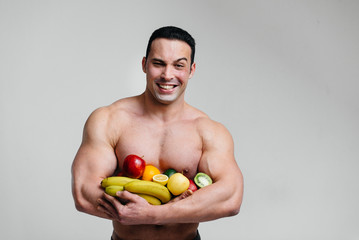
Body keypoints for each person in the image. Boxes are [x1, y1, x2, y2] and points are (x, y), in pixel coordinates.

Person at [71, 26, 244, 240]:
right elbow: (83, 192)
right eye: (158, 63)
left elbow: (231, 197)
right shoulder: (109, 119)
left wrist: (154, 214)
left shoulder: (208, 130)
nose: (167, 75)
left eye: (179, 65)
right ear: (144, 65)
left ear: (191, 70)